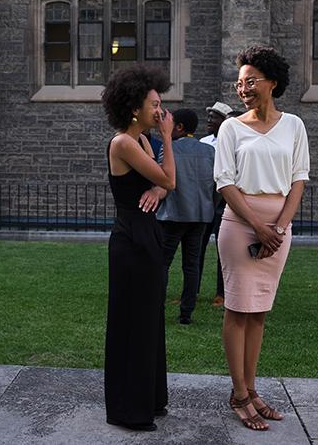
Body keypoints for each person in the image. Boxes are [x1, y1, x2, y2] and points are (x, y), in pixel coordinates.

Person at [215, 46, 309, 431]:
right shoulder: (230, 128)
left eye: (250, 80)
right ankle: (238, 394)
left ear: (272, 82)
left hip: (278, 230)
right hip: (241, 226)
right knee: (237, 311)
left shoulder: (294, 126)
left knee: (259, 314)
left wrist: (280, 228)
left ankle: (251, 390)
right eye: (239, 82)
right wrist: (258, 226)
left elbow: (298, 179)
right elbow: (225, 182)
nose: (243, 88)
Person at [102, 64, 175, 432]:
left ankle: (149, 399)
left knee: (150, 322)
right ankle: (128, 408)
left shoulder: (143, 141)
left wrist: (157, 189)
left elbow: (162, 186)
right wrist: (169, 139)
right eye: (155, 104)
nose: (161, 111)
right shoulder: (124, 143)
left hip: (148, 237)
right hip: (130, 243)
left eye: (161, 105)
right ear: (134, 108)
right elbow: (170, 178)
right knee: (132, 324)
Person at [156, 108, 216, 325]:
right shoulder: (209, 151)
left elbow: (162, 179)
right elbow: (216, 186)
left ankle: (157, 309)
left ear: (179, 127)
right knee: (191, 265)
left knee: (162, 263)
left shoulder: (169, 148)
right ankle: (186, 313)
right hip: (200, 215)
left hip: (173, 214)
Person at [198, 102, 235, 307]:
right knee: (198, 248)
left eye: (215, 117)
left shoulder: (233, 141)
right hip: (206, 202)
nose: (210, 121)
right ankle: (192, 291)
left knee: (224, 252)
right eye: (209, 116)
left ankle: (222, 293)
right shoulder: (203, 142)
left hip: (225, 203)